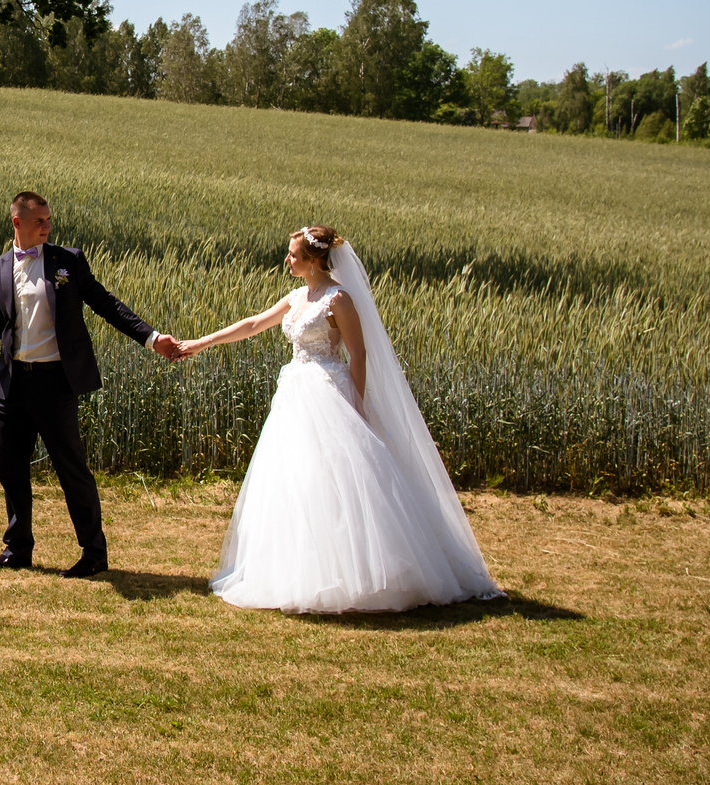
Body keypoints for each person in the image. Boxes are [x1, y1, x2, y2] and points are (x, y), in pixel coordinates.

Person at [168, 225, 501, 613]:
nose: (287, 260)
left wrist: (357, 406)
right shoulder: (297, 297)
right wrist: (199, 344)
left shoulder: (338, 300)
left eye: (294, 255)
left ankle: (361, 572)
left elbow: (358, 355)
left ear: (313, 261)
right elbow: (254, 323)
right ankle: (297, 570)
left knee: (343, 481)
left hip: (330, 393)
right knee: (297, 481)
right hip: (296, 394)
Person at [0, 191, 183, 578]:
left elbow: (106, 304)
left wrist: (151, 337)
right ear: (17, 222)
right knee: (10, 468)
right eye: (39, 221)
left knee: (71, 469)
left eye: (48, 220)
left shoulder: (68, 261)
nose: (47, 226)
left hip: (54, 383)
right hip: (10, 385)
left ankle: (94, 553)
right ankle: (17, 550)